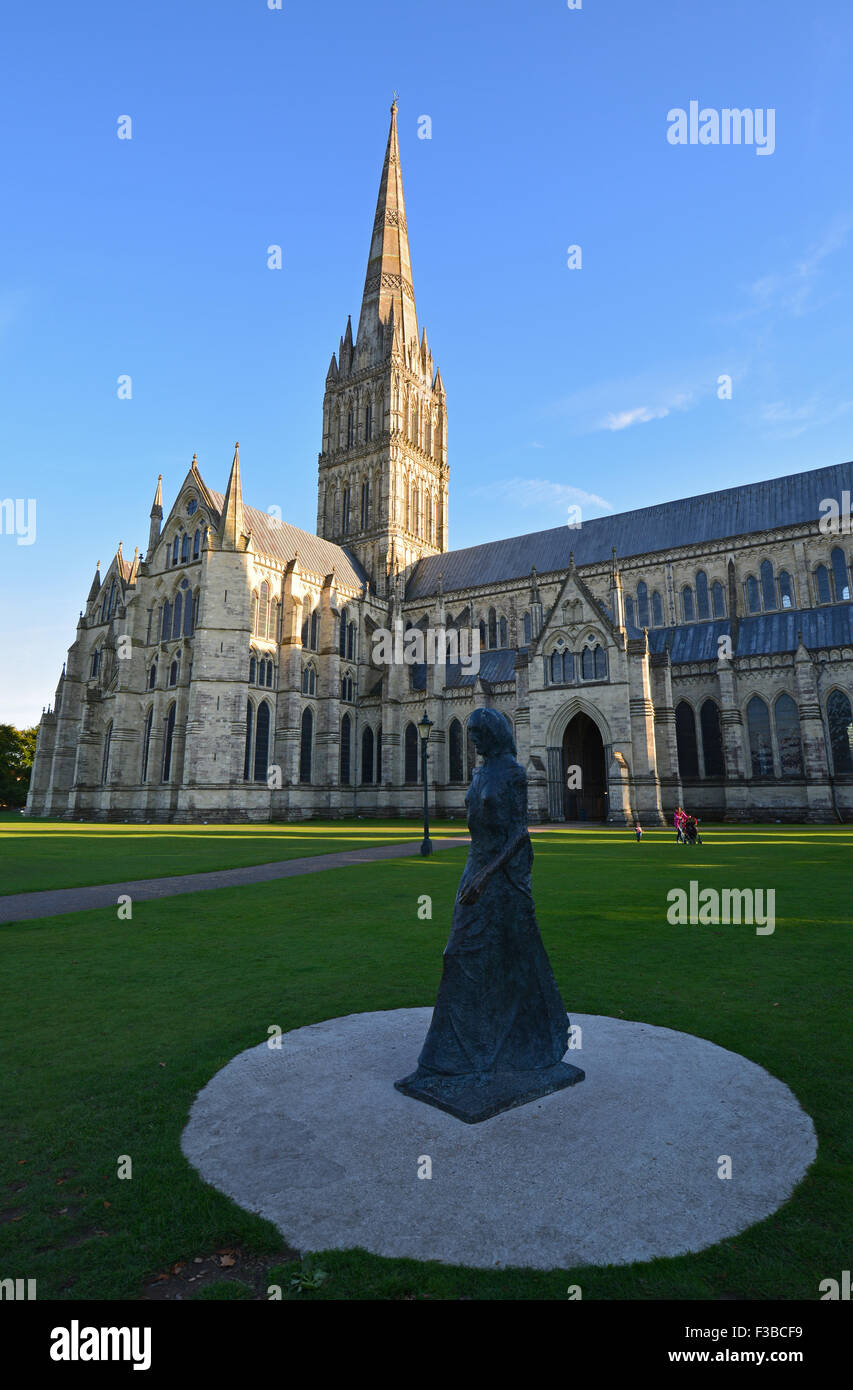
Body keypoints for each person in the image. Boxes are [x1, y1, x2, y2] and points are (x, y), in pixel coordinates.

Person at [397, 706, 569, 1083]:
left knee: (508, 955)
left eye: (477, 734)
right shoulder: (480, 771)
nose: (472, 740)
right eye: (469, 733)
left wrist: (486, 877)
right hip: (475, 866)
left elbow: (520, 833)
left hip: (498, 875)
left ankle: (528, 1042)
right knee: (459, 954)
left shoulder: (513, 773)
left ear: (493, 734)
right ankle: (457, 1052)